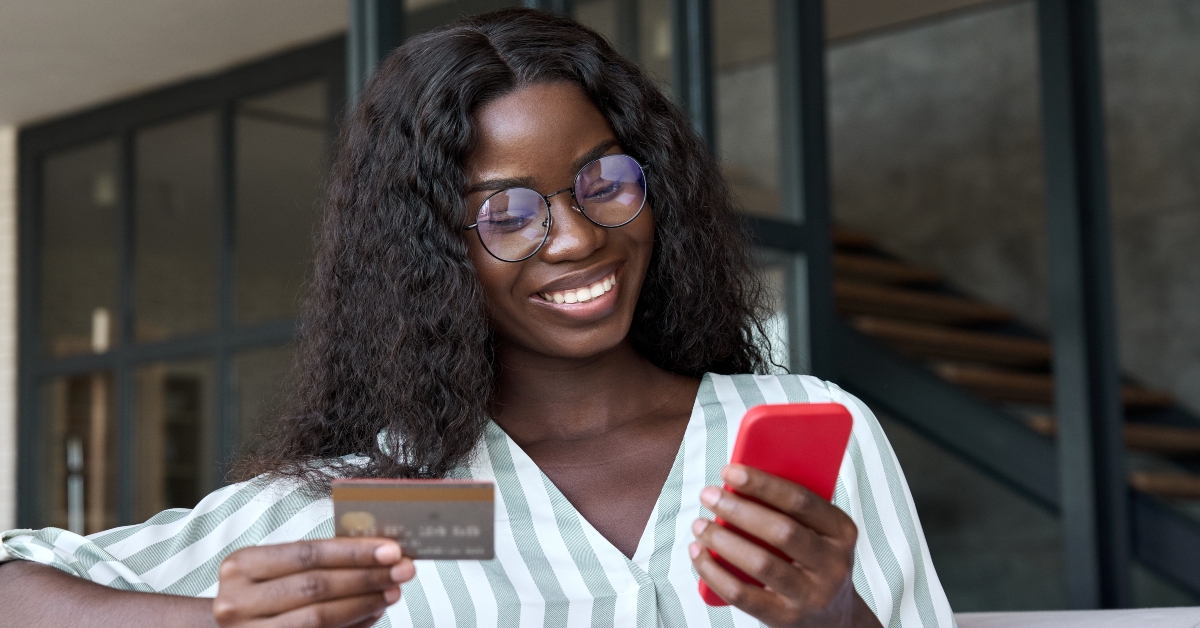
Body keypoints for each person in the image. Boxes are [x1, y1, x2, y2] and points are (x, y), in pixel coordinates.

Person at [0, 8, 953, 627]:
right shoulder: (422, 505)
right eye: (506, 213)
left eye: (604, 183)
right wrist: (208, 622)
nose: (577, 239)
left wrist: (835, 616)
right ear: (432, 253)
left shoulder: (786, 437)